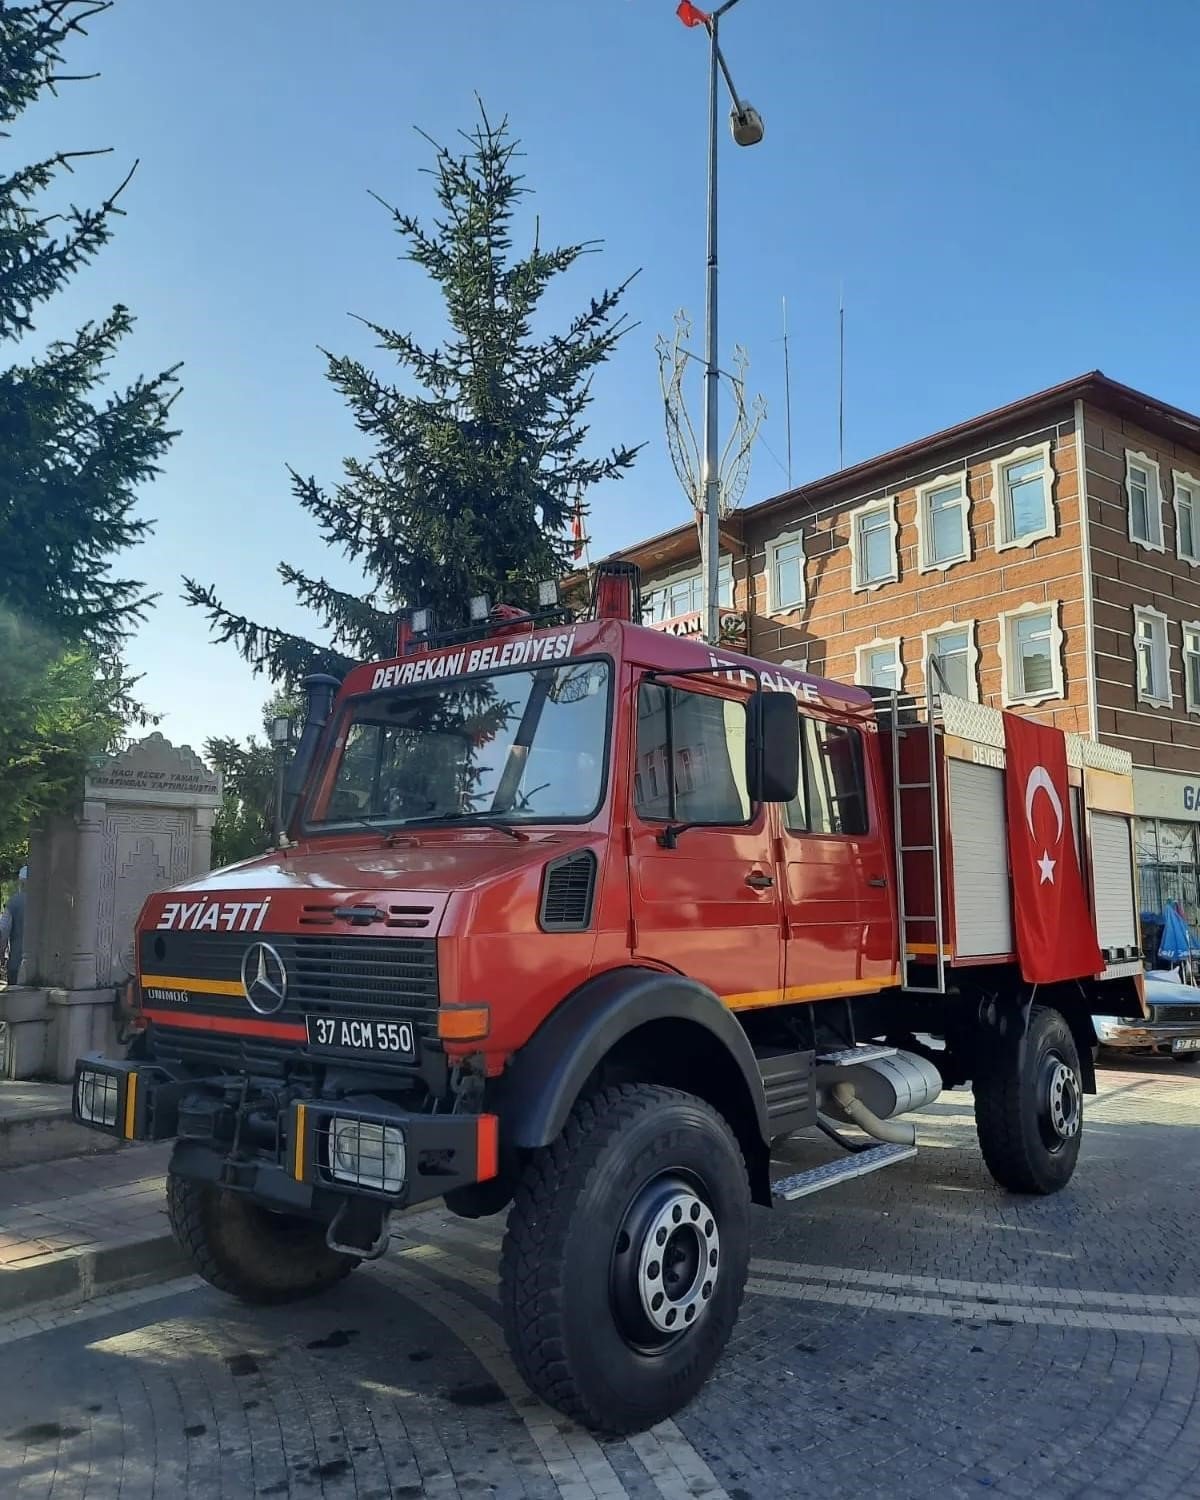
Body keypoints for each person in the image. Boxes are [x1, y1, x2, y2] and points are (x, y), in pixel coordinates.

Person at [0, 867, 27, 986]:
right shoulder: (48, 902)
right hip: (44, 967)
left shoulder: (13, 902)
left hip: (17, 963)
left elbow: (3, 932)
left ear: (20, 882)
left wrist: (1, 954)